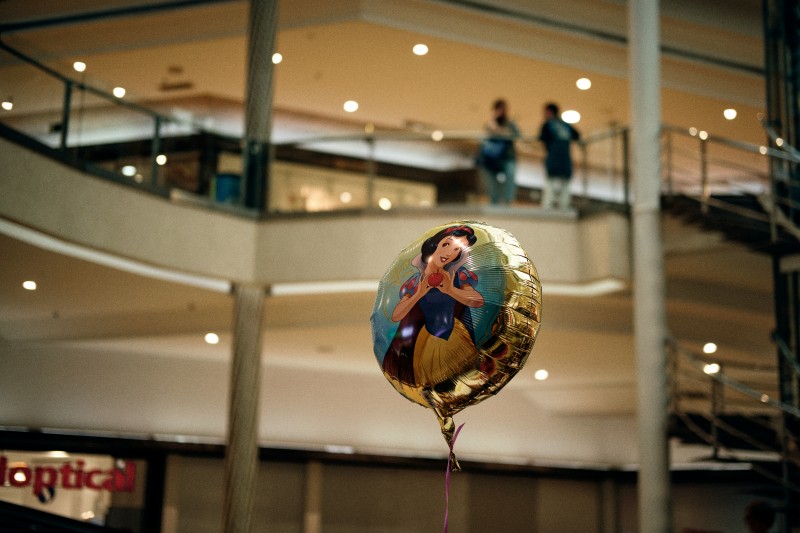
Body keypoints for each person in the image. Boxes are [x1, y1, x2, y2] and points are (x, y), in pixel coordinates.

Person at [382, 225, 485, 387]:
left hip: (455, 337)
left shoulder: (459, 275)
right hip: (425, 342)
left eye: (457, 249)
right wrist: (419, 293)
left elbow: (478, 301)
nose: (449, 253)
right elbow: (397, 315)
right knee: (433, 383)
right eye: (446, 244)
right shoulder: (415, 282)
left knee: (460, 382)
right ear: (434, 245)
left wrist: (451, 290)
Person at [477, 99, 520, 205]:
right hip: (492, 158)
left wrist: (501, 130)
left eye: (503, 109)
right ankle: (494, 200)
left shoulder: (510, 124)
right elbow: (484, 140)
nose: (501, 112)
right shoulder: (489, 124)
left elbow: (518, 135)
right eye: (499, 109)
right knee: (491, 179)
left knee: (510, 174)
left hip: (508, 156)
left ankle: (507, 200)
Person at [538, 102, 580, 210]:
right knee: (555, 181)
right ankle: (556, 205)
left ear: (550, 112)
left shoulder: (552, 125)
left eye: (546, 112)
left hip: (559, 157)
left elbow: (577, 135)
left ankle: (553, 206)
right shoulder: (563, 125)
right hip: (559, 157)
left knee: (556, 181)